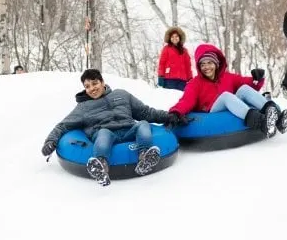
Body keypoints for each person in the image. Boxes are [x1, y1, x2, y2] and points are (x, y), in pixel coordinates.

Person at [40, 69, 187, 186]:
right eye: (87, 86)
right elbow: (63, 125)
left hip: (128, 130)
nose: (92, 88)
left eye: (95, 83)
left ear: (103, 82)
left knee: (143, 124)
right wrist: (50, 141)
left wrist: (169, 116)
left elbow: (145, 112)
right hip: (105, 134)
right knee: (103, 133)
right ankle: (101, 166)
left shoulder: (121, 95)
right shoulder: (83, 108)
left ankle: (144, 157)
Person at [169, 44, 287, 139]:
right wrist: (176, 112)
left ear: (216, 64)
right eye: (203, 64)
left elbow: (248, 84)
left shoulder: (227, 77)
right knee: (226, 96)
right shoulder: (195, 83)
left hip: (230, 106)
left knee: (243, 88)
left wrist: (256, 79)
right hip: (211, 112)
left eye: (210, 63)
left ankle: (278, 118)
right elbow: (186, 100)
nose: (206, 67)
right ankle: (261, 123)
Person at [157, 26, 193, 91]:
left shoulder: (184, 51)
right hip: (169, 80)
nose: (174, 38)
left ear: (179, 37)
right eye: (172, 37)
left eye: (176, 36)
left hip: (182, 81)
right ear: (169, 38)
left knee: (180, 99)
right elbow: (162, 63)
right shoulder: (166, 48)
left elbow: (188, 66)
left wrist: (190, 79)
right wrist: (160, 76)